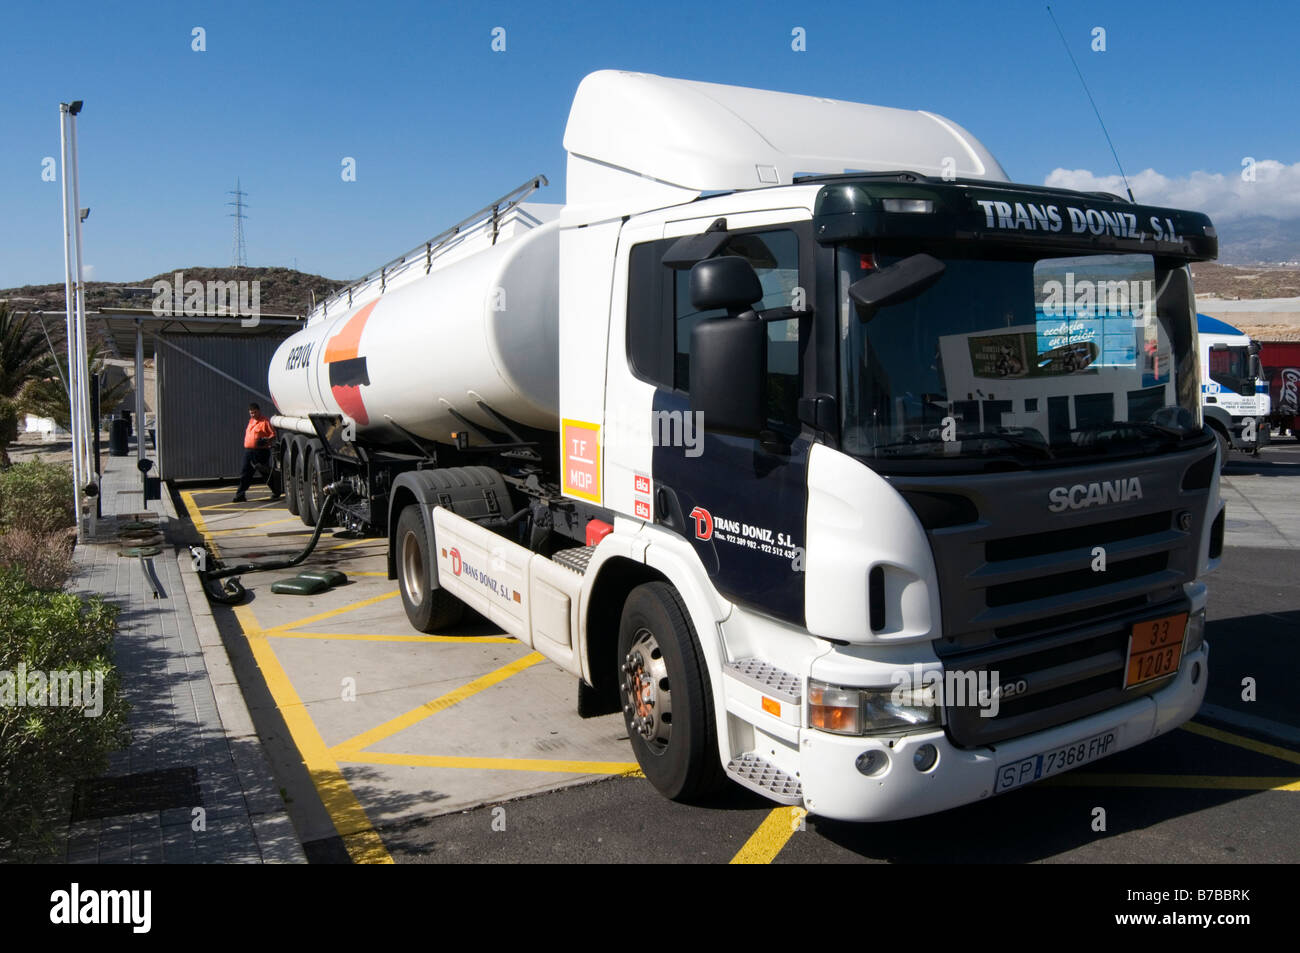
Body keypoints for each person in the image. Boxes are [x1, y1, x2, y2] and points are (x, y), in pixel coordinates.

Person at [234, 403, 277, 502]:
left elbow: (273, 435)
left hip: (260, 452)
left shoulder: (265, 421)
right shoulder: (251, 421)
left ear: (259, 411)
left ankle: (276, 490)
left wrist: (266, 440)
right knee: (245, 472)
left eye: (254, 412)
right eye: (251, 413)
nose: (253, 415)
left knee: (264, 472)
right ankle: (240, 495)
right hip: (249, 452)